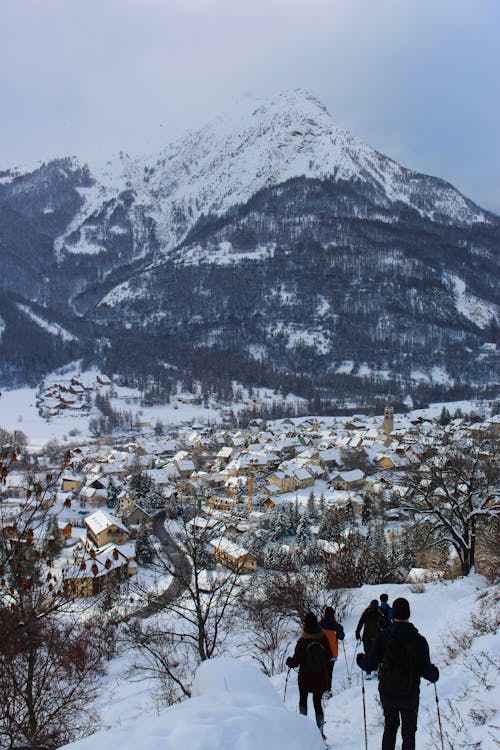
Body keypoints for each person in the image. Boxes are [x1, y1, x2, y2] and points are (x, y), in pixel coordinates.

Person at [356, 597, 439, 750]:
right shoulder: (419, 640)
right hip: (410, 693)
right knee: (408, 734)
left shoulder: (384, 637)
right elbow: (427, 671)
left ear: (393, 615)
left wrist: (360, 659)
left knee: (390, 727)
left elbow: (370, 664)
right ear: (409, 614)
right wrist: (434, 674)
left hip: (388, 692)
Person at [286, 611, 332, 738]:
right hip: (320, 678)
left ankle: (303, 732)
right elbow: (329, 656)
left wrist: (289, 662)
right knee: (317, 704)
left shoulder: (302, 641)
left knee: (303, 701)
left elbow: (295, 662)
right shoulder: (323, 639)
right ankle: (320, 733)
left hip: (305, 678)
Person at [355, 599, 386, 678]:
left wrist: (357, 632)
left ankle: (368, 672)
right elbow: (383, 625)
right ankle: (376, 669)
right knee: (377, 652)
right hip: (377, 637)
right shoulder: (379, 613)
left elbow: (361, 623)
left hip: (367, 637)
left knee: (368, 653)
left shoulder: (366, 612)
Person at [319, 605, 345, 696]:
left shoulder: (319, 625)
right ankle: (327, 690)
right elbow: (341, 637)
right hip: (332, 652)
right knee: (329, 671)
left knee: (322, 670)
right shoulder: (337, 626)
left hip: (320, 652)